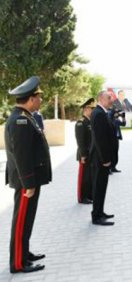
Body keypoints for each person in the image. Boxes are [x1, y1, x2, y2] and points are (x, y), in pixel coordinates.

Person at [5, 76, 51, 273]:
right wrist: (29, 183)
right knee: (22, 220)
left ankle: (24, 252)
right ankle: (18, 263)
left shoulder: (25, 118)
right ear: (31, 99)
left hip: (29, 180)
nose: (41, 101)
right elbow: (22, 156)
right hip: (26, 182)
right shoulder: (21, 121)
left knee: (27, 218)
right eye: (39, 97)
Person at [90, 91, 116, 226]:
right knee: (99, 187)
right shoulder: (99, 113)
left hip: (101, 158)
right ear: (100, 98)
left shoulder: (101, 112)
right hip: (100, 159)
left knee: (101, 186)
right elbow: (100, 140)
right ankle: (96, 216)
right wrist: (105, 159)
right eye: (108, 97)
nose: (111, 100)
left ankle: (100, 212)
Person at [75, 98, 95, 204]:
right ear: (86, 109)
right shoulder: (81, 123)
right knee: (84, 177)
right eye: (92, 108)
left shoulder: (90, 121)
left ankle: (89, 195)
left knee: (90, 176)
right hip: (84, 155)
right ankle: (82, 197)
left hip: (91, 154)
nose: (93, 110)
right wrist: (83, 155)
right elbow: (80, 141)